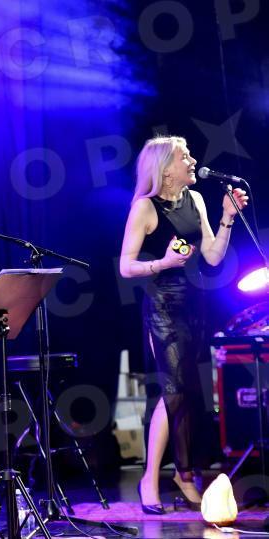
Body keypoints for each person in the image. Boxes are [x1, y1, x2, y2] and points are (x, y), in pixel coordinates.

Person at [119, 136, 248, 514]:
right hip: (163, 308)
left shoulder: (196, 200)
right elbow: (126, 266)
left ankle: (179, 476)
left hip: (194, 306)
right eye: (184, 156)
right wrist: (162, 263)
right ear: (164, 169)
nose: (192, 161)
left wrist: (227, 218)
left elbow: (212, 256)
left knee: (183, 393)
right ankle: (160, 478)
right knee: (173, 392)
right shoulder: (144, 208)